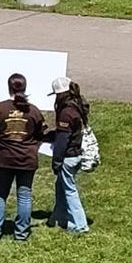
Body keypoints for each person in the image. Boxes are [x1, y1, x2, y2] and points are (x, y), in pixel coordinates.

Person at [0, 73, 45, 243]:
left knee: (0, 194)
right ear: (25, 88)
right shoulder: (33, 111)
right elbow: (41, 135)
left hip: (5, 158)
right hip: (27, 160)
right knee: (24, 195)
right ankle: (21, 233)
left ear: (9, 87)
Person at [48, 76, 91, 234]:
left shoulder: (66, 113)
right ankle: (58, 217)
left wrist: (57, 160)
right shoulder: (78, 106)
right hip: (77, 152)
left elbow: (62, 140)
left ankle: (80, 225)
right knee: (60, 185)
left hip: (69, 155)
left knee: (69, 190)